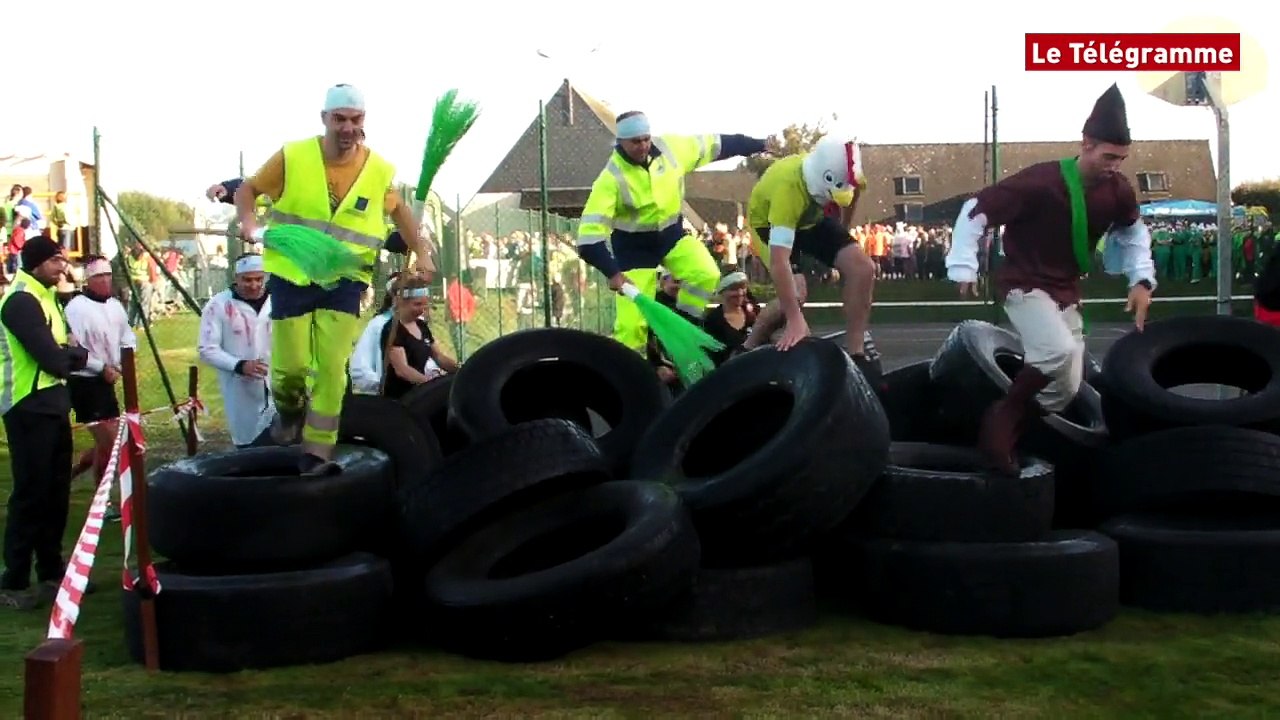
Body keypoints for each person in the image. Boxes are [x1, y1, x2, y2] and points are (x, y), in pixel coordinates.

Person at [945, 83, 1156, 474]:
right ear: (1087, 144)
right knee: (1055, 351)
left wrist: (1141, 279)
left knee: (1068, 385)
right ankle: (1001, 420)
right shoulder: (1041, 182)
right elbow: (976, 209)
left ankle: (1015, 429)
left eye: (1121, 159)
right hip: (1025, 284)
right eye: (1109, 156)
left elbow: (1133, 233)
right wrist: (963, 265)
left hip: (1066, 290)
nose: (1114, 166)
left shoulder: (1118, 190)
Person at [235, 83, 433, 475]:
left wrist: (423, 251)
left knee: (331, 368)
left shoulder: (378, 170)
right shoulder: (294, 156)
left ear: (364, 121)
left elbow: (400, 213)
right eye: (339, 119)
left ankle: (316, 454)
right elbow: (248, 190)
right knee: (290, 368)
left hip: (346, 279)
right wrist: (249, 223)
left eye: (355, 120)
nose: (347, 128)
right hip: (293, 275)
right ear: (324, 119)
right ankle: (289, 411)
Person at [575, 111, 768, 353]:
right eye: (635, 142)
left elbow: (718, 144)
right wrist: (613, 273)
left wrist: (760, 145)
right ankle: (631, 367)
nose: (643, 146)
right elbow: (588, 240)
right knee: (631, 325)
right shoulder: (610, 178)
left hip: (671, 237)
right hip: (634, 250)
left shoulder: (671, 149)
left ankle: (681, 332)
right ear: (621, 142)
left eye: (646, 139)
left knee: (705, 273)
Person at [739, 136, 881, 385]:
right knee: (796, 294)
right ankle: (747, 347)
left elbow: (854, 193)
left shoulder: (844, 168)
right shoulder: (788, 191)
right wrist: (795, 320)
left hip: (809, 219)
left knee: (863, 269)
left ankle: (857, 353)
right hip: (768, 224)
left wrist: (841, 234)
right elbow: (779, 262)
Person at [0, 237, 94, 609]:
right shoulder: (21, 300)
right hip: (27, 404)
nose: (63, 268)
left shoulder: (47, 297)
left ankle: (52, 572)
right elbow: (52, 359)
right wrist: (73, 356)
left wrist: (68, 355)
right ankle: (14, 579)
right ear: (37, 262)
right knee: (31, 493)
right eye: (56, 260)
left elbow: (62, 354)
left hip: (52, 403)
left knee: (56, 493)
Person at [63, 255, 135, 521]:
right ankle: (102, 503)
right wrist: (100, 367)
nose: (105, 281)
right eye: (98, 277)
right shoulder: (76, 308)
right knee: (112, 444)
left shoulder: (115, 306)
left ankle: (67, 477)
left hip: (107, 381)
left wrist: (121, 365)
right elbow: (73, 348)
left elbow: (127, 337)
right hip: (84, 382)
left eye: (107, 275)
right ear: (88, 280)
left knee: (109, 444)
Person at [197, 253, 275, 448]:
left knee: (284, 439)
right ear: (236, 278)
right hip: (241, 387)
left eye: (259, 279)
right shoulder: (218, 305)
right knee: (248, 441)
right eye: (247, 280)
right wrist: (239, 365)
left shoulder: (277, 302)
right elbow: (207, 348)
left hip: (277, 382)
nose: (254, 285)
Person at [348, 272, 443, 393]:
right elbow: (360, 369)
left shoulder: (419, 324)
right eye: (417, 303)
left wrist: (434, 375)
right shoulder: (378, 325)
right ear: (396, 299)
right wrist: (380, 385)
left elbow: (429, 359)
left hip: (421, 393)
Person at [378, 274, 458, 399]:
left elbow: (438, 356)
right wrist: (431, 385)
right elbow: (402, 370)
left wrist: (460, 370)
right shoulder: (393, 330)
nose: (422, 309)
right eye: (417, 304)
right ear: (401, 302)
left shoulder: (421, 326)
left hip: (419, 392)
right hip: (401, 397)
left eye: (425, 304)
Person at [703, 271, 758, 366]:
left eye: (743, 288)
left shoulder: (752, 313)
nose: (740, 293)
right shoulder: (714, 319)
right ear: (722, 292)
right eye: (734, 289)